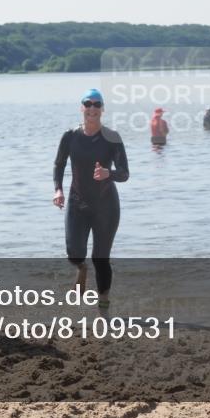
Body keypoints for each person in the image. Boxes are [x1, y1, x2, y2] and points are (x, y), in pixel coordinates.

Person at [53, 89, 129, 309]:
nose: (92, 108)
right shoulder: (70, 136)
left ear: (103, 109)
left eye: (97, 104)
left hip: (106, 205)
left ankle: (103, 304)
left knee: (101, 257)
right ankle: (81, 269)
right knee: (74, 253)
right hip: (77, 202)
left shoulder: (112, 138)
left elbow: (124, 173)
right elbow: (59, 164)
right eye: (88, 104)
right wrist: (58, 190)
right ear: (82, 108)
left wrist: (109, 174)